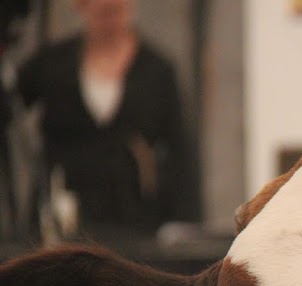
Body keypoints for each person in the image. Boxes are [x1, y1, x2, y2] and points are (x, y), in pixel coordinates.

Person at [15, 0, 199, 239]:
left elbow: (181, 150)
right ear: (82, 7)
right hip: (63, 209)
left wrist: (184, 221)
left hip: (134, 213)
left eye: (117, 11)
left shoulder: (158, 70)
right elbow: (12, 102)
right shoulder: (52, 63)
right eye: (103, 13)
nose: (111, 22)